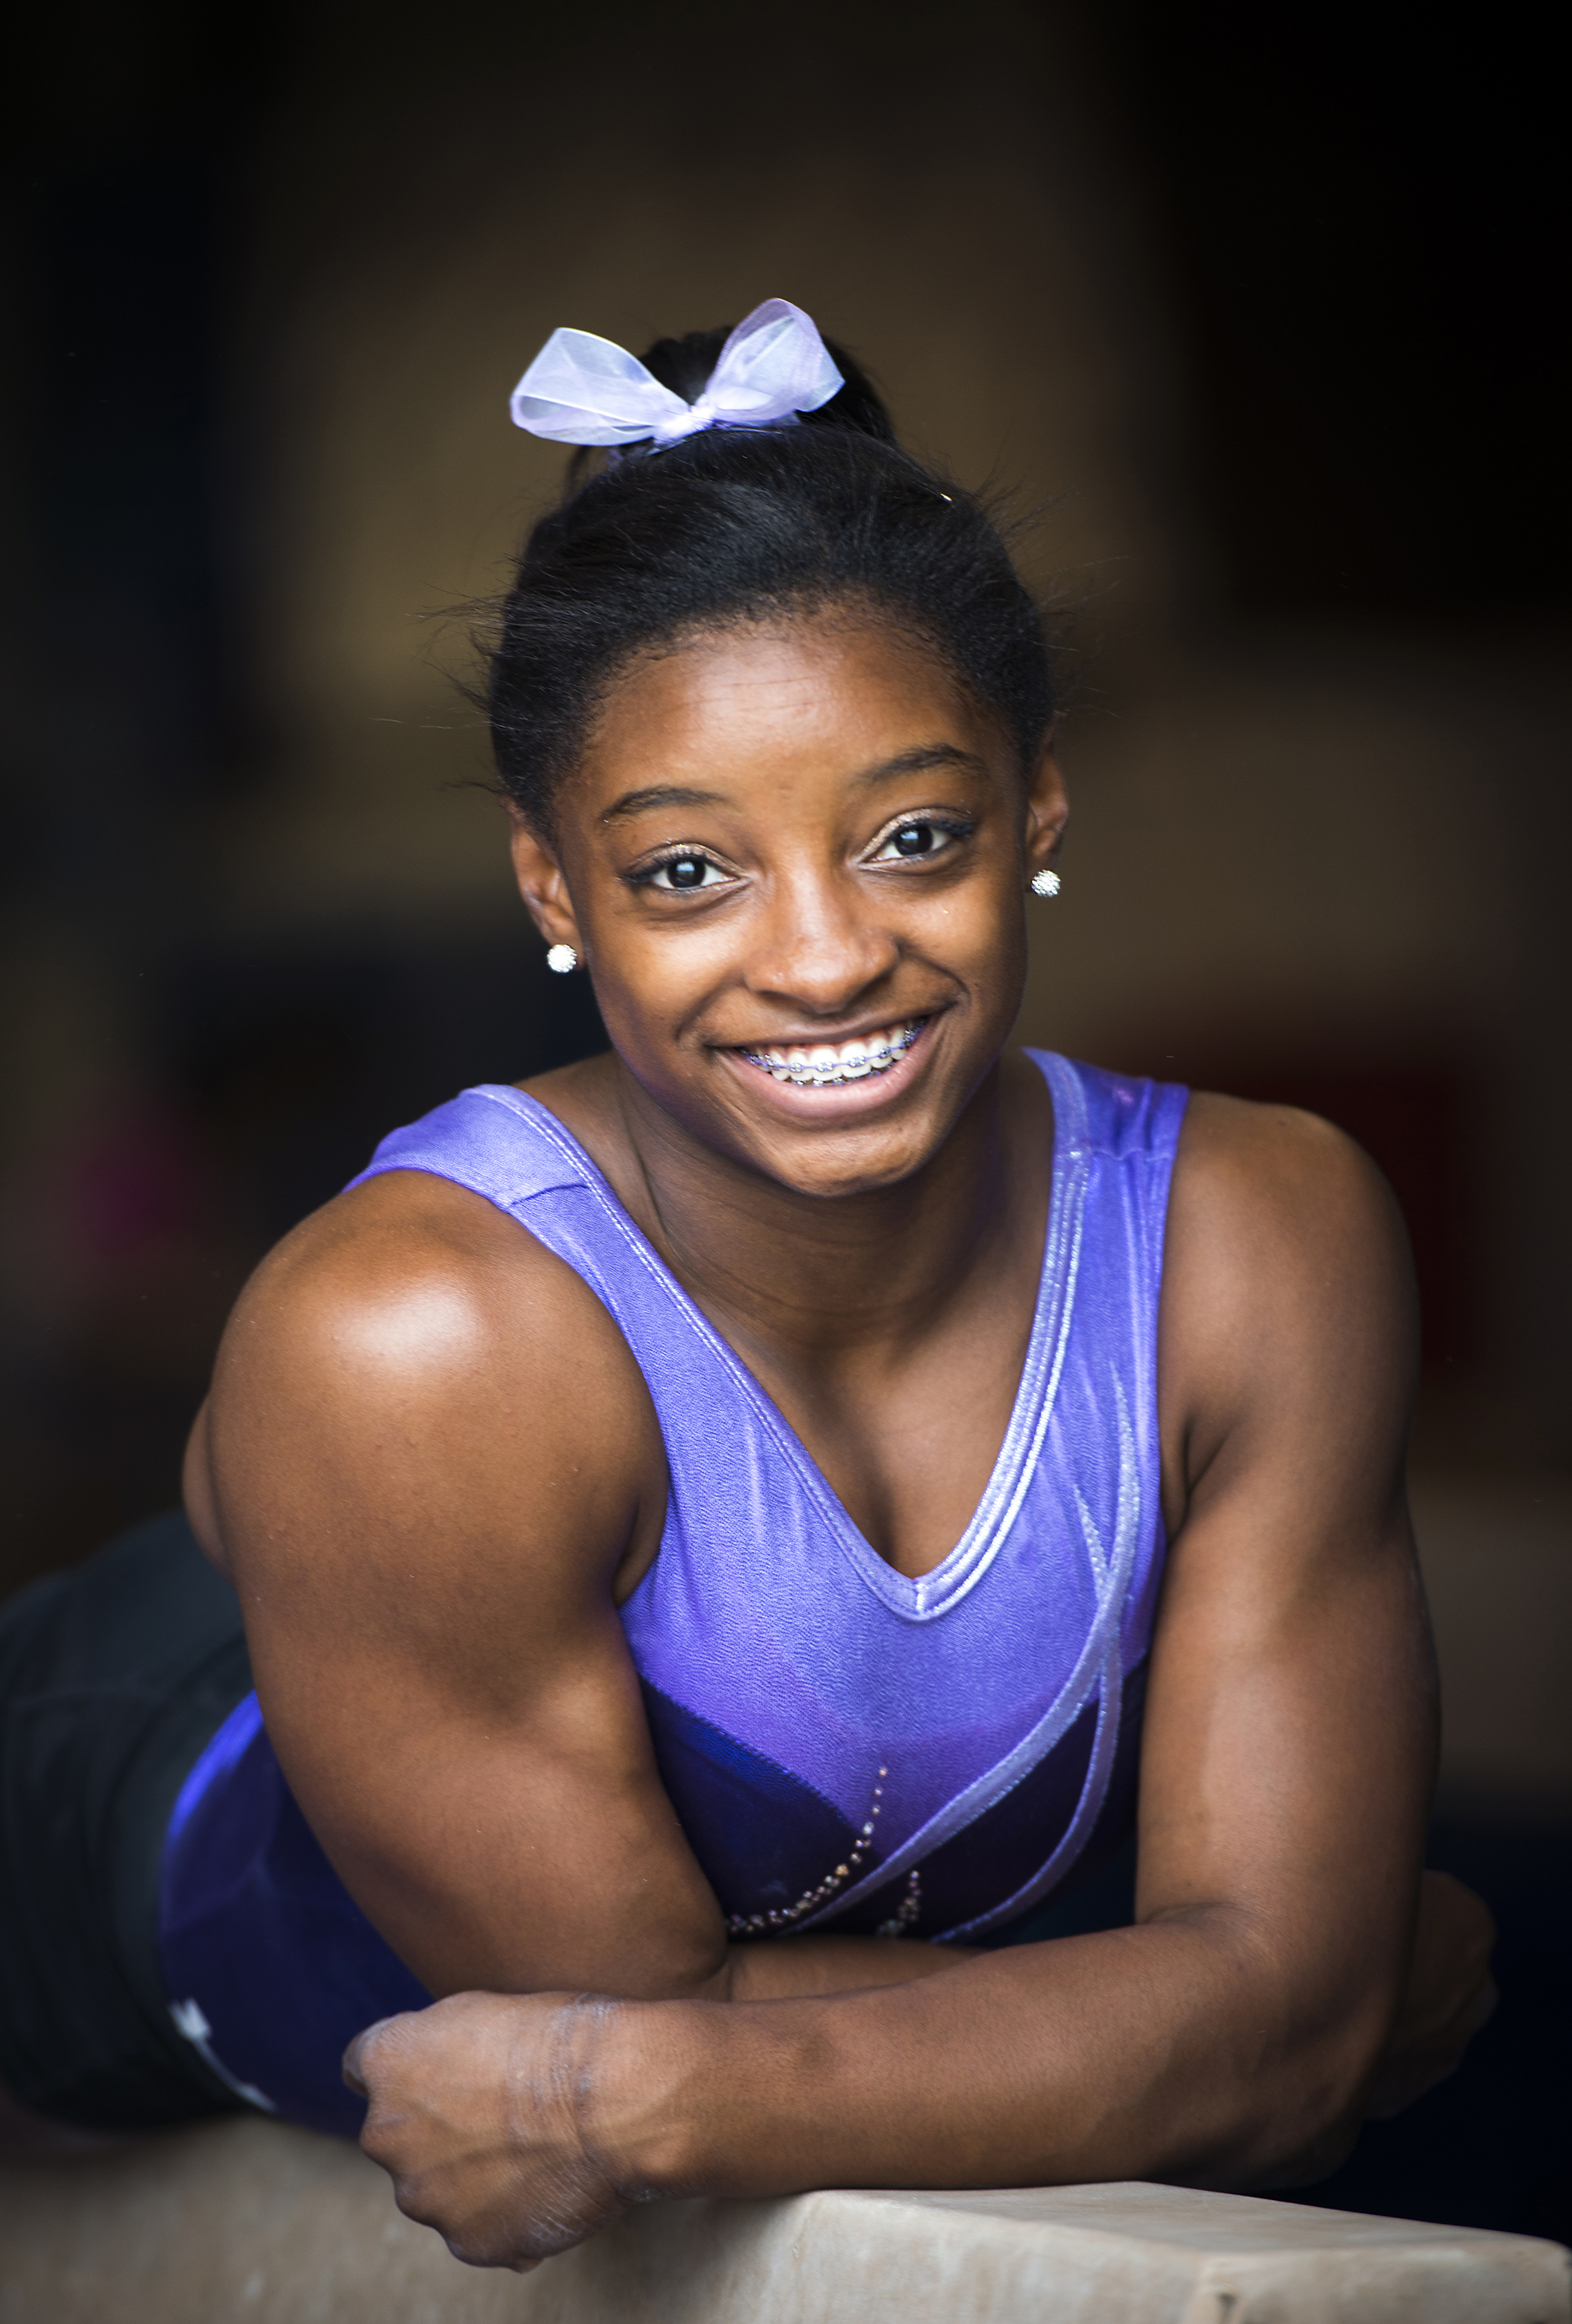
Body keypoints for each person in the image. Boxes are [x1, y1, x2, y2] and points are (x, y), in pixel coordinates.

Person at [0, 300, 1495, 2259]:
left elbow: (1274, 2059)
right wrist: (1252, 1975)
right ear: (552, 888)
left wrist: (648, 2087)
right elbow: (1270, 2010)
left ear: (1033, 807)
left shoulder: (1259, 1237)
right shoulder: (410, 1336)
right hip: (119, 1827)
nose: (821, 959)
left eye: (911, 838)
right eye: (686, 872)